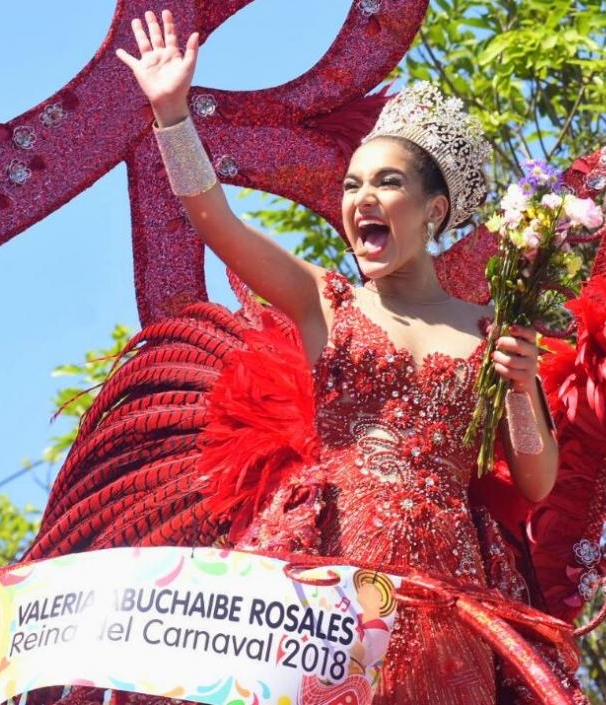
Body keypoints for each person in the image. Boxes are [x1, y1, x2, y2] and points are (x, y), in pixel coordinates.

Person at [115, 10, 560, 704]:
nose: (360, 201)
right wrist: (172, 117)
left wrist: (523, 388)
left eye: (384, 183)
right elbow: (218, 222)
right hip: (330, 572)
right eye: (351, 185)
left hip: (446, 590)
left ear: (434, 210)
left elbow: (535, 481)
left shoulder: (488, 329)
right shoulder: (326, 303)